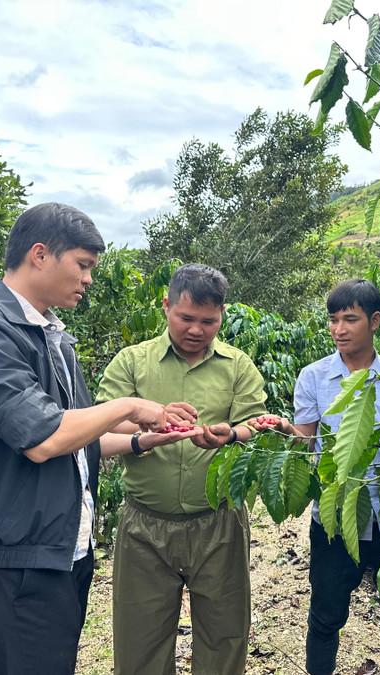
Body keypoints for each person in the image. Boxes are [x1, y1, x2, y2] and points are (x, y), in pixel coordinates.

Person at [0, 203, 200, 675]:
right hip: (15, 554)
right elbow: (44, 438)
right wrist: (132, 406)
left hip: (60, 549)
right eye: (83, 265)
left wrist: (147, 434)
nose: (89, 279)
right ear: (39, 254)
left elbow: (80, 437)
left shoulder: (51, 337)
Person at [254, 279, 380, 675]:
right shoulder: (313, 378)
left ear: (375, 321)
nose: (338, 329)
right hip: (336, 519)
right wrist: (284, 431)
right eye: (333, 320)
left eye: (349, 319)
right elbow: (307, 443)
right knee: (325, 617)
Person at [94, 263, 268, 675]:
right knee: (140, 639)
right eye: (186, 318)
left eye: (209, 321)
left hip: (219, 522)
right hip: (145, 526)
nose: (197, 329)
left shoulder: (238, 365)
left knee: (225, 635)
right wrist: (146, 421)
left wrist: (228, 435)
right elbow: (103, 419)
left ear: (222, 316)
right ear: (166, 305)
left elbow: (255, 426)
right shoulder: (133, 361)